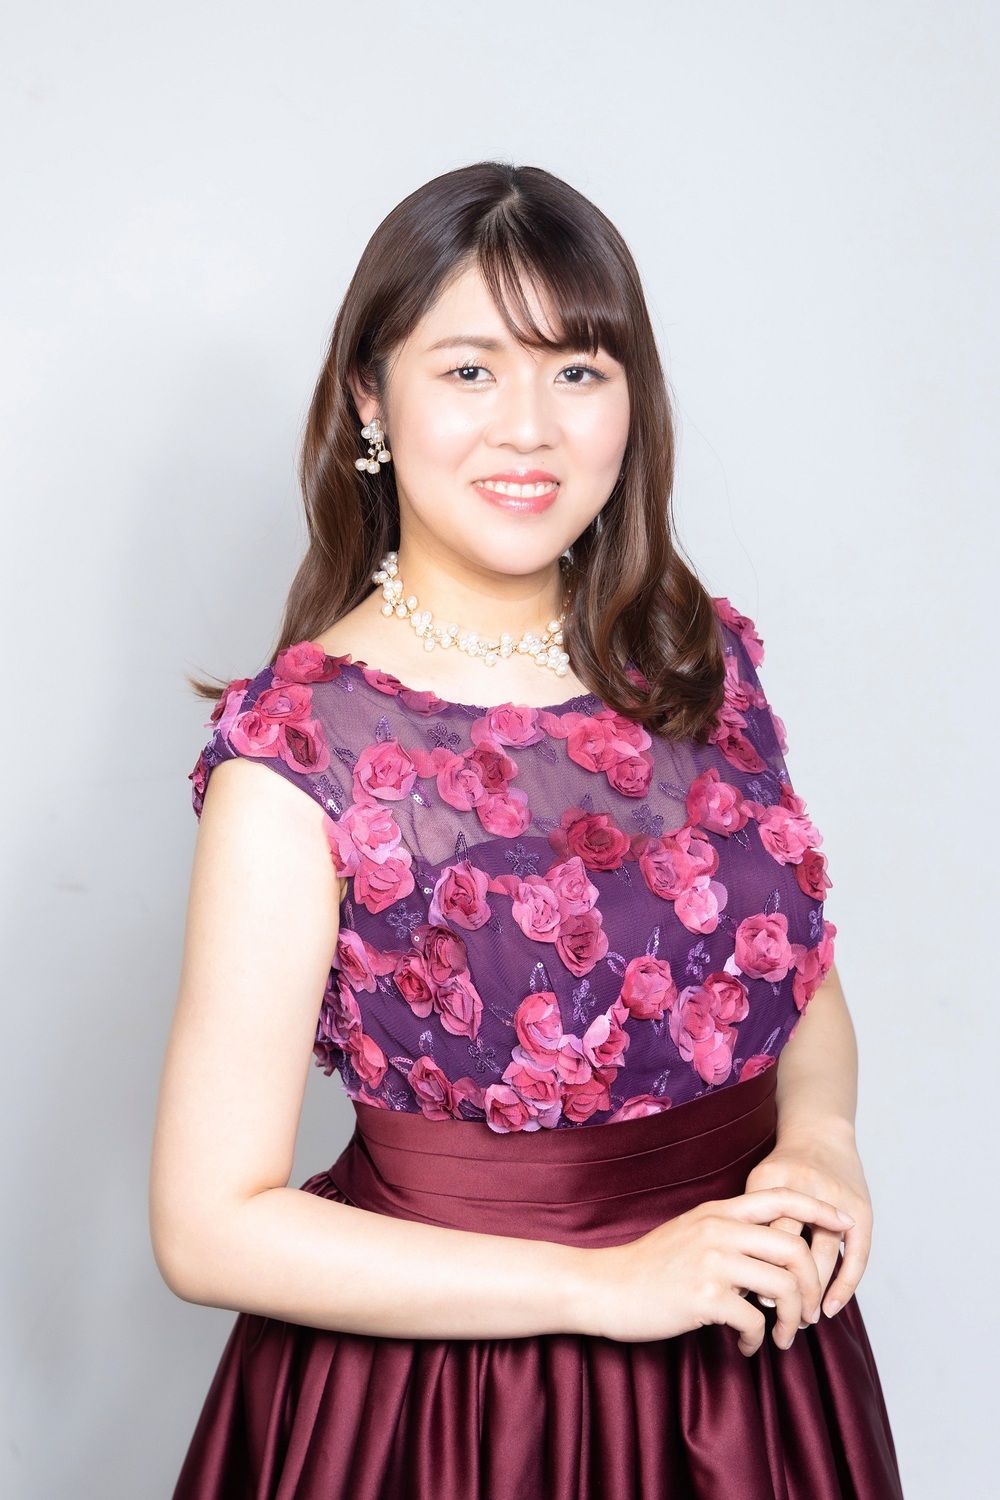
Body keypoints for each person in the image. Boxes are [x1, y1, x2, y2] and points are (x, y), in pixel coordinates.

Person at [150, 161, 904, 1499]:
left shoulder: (698, 662)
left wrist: (821, 1143)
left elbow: (794, 982)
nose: (530, 428)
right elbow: (208, 1229)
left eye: (577, 371)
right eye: (469, 370)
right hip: (455, 1414)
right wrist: (609, 1286)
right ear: (370, 396)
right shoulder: (302, 753)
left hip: (754, 1366)